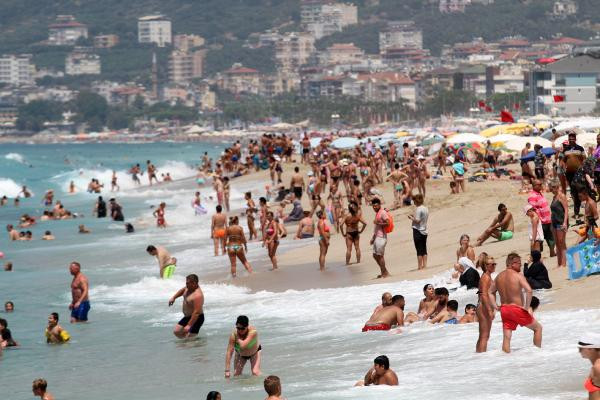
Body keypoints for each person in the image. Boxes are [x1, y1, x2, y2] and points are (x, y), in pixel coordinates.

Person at [493, 252, 543, 353]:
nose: (521, 265)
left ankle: (505, 358)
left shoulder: (498, 277)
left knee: (507, 337)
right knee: (538, 328)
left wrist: (495, 306)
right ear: (513, 264)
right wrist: (526, 307)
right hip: (516, 309)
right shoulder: (517, 276)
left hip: (504, 309)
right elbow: (529, 290)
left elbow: (489, 292)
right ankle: (538, 355)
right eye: (519, 263)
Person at [168, 274, 204, 338]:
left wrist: (189, 325)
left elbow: (197, 312)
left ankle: (194, 343)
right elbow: (182, 290)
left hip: (196, 318)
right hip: (187, 317)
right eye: (186, 283)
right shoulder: (188, 288)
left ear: (194, 283)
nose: (186, 285)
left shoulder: (197, 295)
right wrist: (174, 297)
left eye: (187, 283)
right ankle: (188, 342)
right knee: (177, 331)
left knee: (190, 339)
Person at [528, 179, 555, 256]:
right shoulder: (532, 196)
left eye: (541, 184)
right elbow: (532, 210)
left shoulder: (540, 194)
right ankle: (536, 256)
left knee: (551, 237)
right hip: (541, 221)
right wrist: (537, 220)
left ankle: (552, 252)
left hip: (548, 220)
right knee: (539, 240)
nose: (541, 186)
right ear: (534, 186)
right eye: (539, 185)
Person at [476, 256, 497, 353]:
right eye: (491, 264)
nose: (494, 266)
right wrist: (489, 310)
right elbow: (484, 294)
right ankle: (481, 357)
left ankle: (479, 356)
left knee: (484, 335)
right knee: (484, 336)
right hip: (484, 307)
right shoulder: (485, 277)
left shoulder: (487, 276)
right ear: (485, 266)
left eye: (494, 264)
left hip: (484, 306)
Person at [563, 132, 586, 218]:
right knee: (573, 192)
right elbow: (562, 160)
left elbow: (584, 159)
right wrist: (563, 168)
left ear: (575, 139)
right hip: (569, 173)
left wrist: (583, 169)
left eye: (573, 138)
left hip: (578, 173)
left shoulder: (580, 148)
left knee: (579, 191)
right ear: (568, 139)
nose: (571, 140)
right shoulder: (565, 149)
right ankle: (576, 210)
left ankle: (577, 210)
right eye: (570, 139)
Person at [548, 179, 569, 268]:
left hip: (561, 221)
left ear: (556, 187)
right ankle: (559, 263)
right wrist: (551, 224)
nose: (551, 190)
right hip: (554, 222)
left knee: (562, 242)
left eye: (552, 188)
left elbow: (566, 210)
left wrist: (565, 223)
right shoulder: (554, 197)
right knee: (557, 243)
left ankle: (564, 263)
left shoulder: (561, 196)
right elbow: (553, 212)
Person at [370, 198, 390, 278]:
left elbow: (388, 223)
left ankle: (384, 273)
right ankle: (384, 271)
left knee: (380, 256)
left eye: (376, 206)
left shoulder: (382, 212)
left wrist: (378, 223)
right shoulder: (378, 213)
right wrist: (373, 237)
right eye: (373, 206)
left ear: (379, 205)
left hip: (382, 237)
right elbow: (377, 228)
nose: (374, 207)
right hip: (377, 237)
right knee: (375, 255)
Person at [577, 333, 600, 400]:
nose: (579, 351)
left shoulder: (598, 367)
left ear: (591, 348)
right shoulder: (596, 366)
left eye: (580, 349)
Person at [409, 194, 428, 270]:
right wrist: (414, 217)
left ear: (416, 201)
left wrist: (411, 218)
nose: (414, 202)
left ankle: (420, 266)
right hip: (424, 230)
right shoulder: (425, 208)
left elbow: (417, 221)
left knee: (419, 249)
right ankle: (425, 265)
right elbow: (421, 219)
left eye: (414, 201)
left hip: (418, 230)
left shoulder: (418, 209)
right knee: (424, 248)